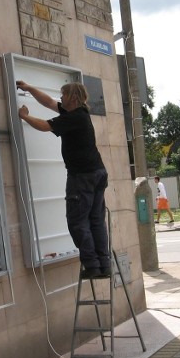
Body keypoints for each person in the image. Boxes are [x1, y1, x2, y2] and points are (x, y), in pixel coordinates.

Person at [16, 81, 110, 279]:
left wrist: (24, 116)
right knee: (95, 221)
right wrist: (29, 87)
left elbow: (44, 126)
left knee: (78, 221)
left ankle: (92, 266)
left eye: (64, 95)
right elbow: (49, 102)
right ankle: (103, 264)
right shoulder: (78, 113)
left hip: (82, 176)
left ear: (73, 97)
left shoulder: (75, 117)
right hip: (96, 173)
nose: (60, 98)